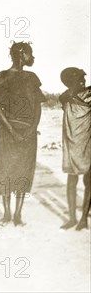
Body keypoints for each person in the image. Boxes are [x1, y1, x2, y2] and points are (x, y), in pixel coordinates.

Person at [0, 41, 46, 227]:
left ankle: (18, 215)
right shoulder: (2, 77)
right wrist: (12, 131)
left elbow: (38, 106)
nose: (33, 58)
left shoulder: (32, 78)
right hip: (8, 132)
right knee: (6, 170)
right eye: (30, 54)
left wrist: (32, 128)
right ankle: (7, 214)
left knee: (24, 170)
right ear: (22, 55)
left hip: (29, 133)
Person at [58, 67, 91, 230]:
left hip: (87, 143)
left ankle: (84, 218)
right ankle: (72, 218)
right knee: (72, 180)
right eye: (78, 80)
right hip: (72, 145)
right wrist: (71, 94)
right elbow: (63, 97)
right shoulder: (66, 98)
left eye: (83, 79)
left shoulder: (87, 94)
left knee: (89, 181)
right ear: (69, 83)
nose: (83, 82)